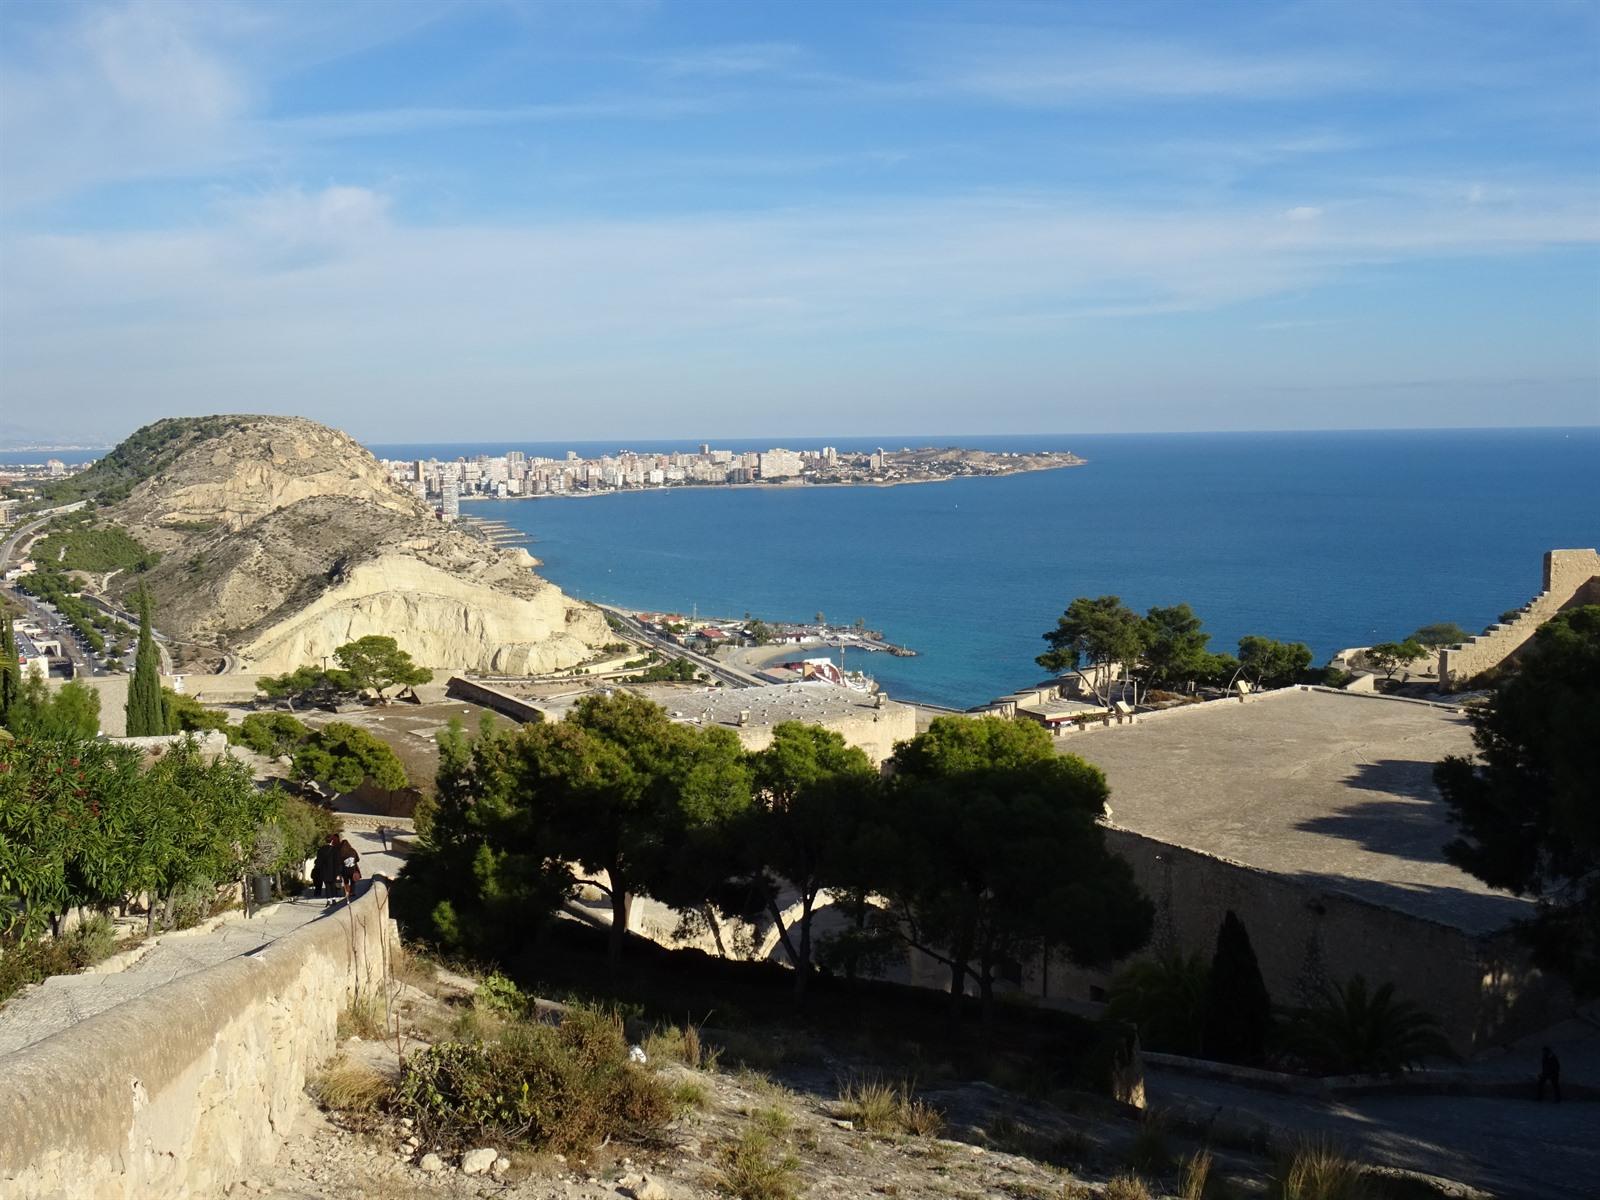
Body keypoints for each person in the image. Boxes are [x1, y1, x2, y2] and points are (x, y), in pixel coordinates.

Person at [313, 834, 341, 901]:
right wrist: (338, 872)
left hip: (324, 871)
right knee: (333, 885)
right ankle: (334, 899)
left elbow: (318, 861)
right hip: (333, 871)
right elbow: (337, 862)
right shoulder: (335, 850)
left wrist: (319, 870)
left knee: (327, 885)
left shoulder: (320, 850)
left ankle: (328, 899)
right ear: (332, 841)